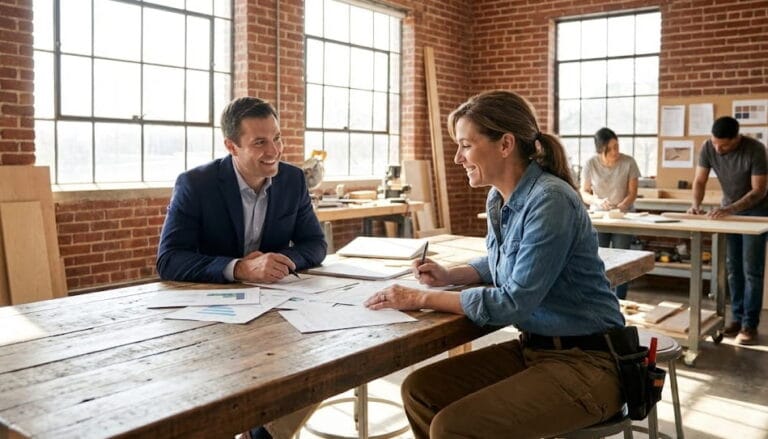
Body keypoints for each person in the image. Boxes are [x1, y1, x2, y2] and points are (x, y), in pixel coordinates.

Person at [364, 90, 626, 438]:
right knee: (419, 392)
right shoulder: (498, 196)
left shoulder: (550, 200)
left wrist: (420, 298)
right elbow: (505, 259)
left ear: (505, 144)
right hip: (537, 349)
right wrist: (452, 275)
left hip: (590, 363)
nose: (458, 158)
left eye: (466, 145)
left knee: (451, 427)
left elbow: (513, 301)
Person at [156, 96, 327, 438]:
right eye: (259, 142)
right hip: (212, 315)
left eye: (277, 138)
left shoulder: (293, 180)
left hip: (278, 306)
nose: (273, 150)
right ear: (231, 146)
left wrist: (283, 261)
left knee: (316, 365)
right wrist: (239, 268)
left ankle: (262, 433)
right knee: (217, 401)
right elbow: (169, 258)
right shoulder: (196, 184)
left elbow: (316, 244)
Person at [687, 116, 767, 346]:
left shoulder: (756, 149)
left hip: (757, 213)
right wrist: (695, 205)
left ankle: (749, 326)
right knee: (732, 269)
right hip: (729, 212)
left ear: (737, 139)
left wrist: (729, 208)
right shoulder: (708, 146)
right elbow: (700, 181)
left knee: (752, 270)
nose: (717, 149)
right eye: (715, 143)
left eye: (723, 145)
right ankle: (737, 318)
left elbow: (759, 190)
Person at [580, 127, 641, 299]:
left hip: (623, 215)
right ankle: (602, 299)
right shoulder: (591, 164)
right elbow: (584, 192)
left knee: (623, 259)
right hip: (600, 216)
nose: (615, 151)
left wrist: (622, 206)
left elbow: (632, 193)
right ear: (601, 150)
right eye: (610, 148)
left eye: (617, 146)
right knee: (599, 259)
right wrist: (597, 201)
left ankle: (620, 300)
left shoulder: (629, 162)